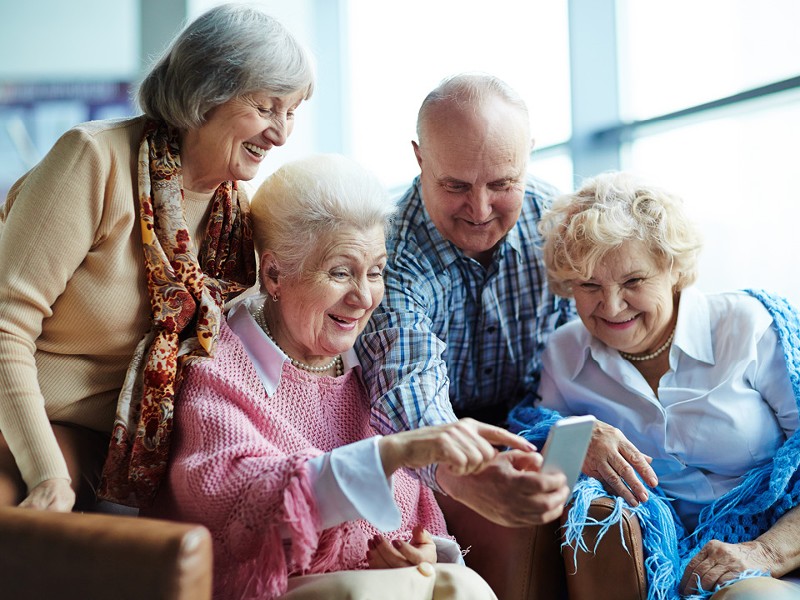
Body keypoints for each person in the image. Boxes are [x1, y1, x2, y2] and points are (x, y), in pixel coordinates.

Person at [148, 154, 534, 600]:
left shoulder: (370, 364)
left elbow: (416, 516)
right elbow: (244, 500)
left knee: (459, 584)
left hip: (381, 586)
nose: (365, 296)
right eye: (340, 272)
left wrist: (422, 553)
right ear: (274, 273)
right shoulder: (217, 366)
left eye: (376, 271)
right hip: (271, 589)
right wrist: (391, 452)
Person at [0, 3, 315, 512]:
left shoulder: (236, 216)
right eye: (265, 107)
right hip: (32, 426)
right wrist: (48, 476)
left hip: (139, 447)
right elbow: (5, 326)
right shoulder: (93, 160)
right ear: (204, 94)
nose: (280, 133)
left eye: (292, 112)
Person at [508, 171, 800, 599]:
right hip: (663, 567)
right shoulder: (564, 352)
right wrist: (574, 440)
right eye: (589, 285)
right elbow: (541, 463)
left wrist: (764, 552)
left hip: (775, 551)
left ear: (674, 268)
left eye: (633, 281)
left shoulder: (749, 324)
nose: (611, 306)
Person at [355, 73, 572, 527]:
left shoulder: (559, 228)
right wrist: (467, 473)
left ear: (528, 154)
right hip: (436, 460)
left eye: (502, 184)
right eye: (455, 186)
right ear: (419, 158)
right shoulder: (387, 252)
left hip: (539, 427)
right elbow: (406, 384)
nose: (479, 209)